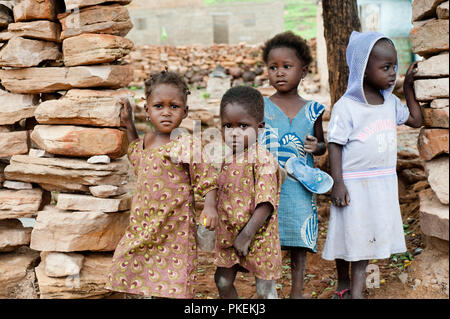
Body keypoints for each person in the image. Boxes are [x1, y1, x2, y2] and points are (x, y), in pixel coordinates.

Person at [322, 31, 423, 299]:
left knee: (365, 238)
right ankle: (353, 291)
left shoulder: (390, 102)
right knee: (352, 237)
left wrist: (409, 88)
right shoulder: (347, 107)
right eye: (385, 67)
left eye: (394, 66)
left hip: (381, 184)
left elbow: (415, 120)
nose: (392, 73)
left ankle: (355, 290)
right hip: (353, 185)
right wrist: (338, 183)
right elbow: (334, 144)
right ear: (363, 69)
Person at [106, 70, 219, 299]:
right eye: (159, 106)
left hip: (175, 232)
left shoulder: (186, 143)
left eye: (174, 106)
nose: (166, 112)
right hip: (143, 226)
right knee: (130, 268)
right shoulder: (146, 141)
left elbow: (207, 177)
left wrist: (209, 206)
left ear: (185, 111)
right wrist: (128, 125)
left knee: (173, 282)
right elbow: (136, 157)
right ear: (147, 110)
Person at [259, 31, 327, 299]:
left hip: (300, 188)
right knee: (267, 240)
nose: (279, 73)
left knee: (298, 243)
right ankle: (269, 291)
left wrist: (317, 147)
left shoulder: (313, 110)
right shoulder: (260, 106)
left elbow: (321, 145)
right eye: (273, 67)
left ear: (304, 71)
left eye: (287, 66)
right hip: (268, 186)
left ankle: (297, 292)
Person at [214, 86, 283, 299]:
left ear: (259, 127)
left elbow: (266, 202)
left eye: (243, 126)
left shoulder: (263, 160)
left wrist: (246, 235)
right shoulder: (224, 158)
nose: (234, 132)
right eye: (228, 126)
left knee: (265, 290)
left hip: (258, 236)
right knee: (222, 281)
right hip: (228, 236)